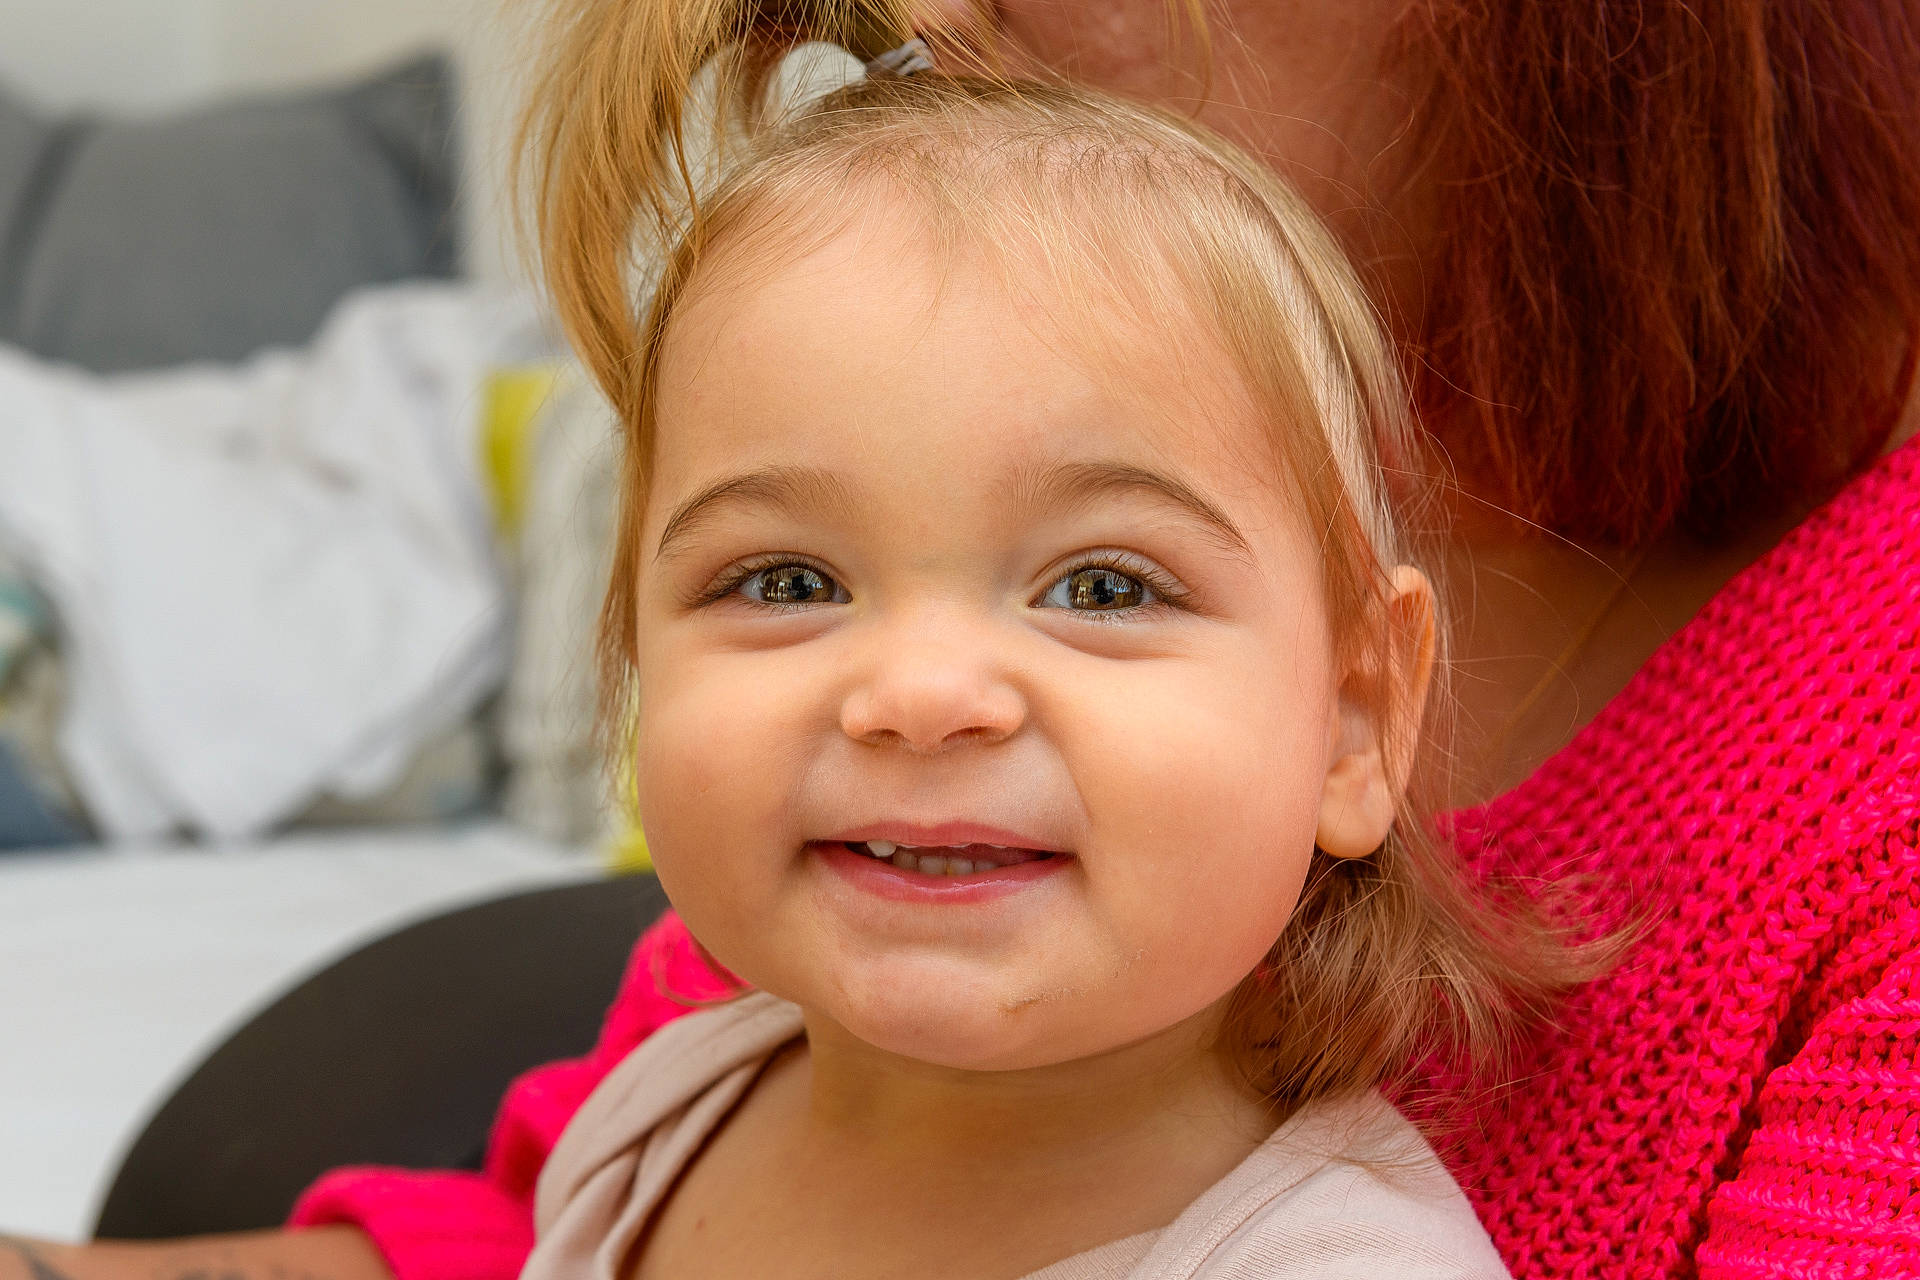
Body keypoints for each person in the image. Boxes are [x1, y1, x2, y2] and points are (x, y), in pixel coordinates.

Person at [6, 1, 1915, 1277]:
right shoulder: (707, 1076)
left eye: (1107, 587)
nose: (912, 696)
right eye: (783, 580)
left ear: (1360, 710)